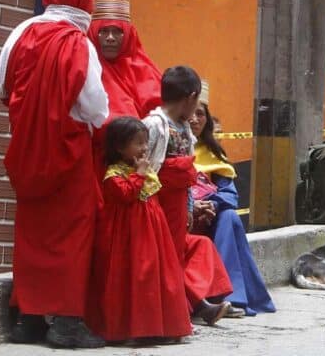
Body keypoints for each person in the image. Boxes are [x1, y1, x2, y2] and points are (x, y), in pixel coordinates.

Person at [0, 0, 108, 348]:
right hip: (69, 153)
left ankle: (28, 318)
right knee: (72, 236)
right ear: (85, 4)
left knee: (31, 234)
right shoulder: (79, 43)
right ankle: (67, 323)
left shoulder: (21, 31)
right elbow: (96, 107)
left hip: (25, 151)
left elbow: (1, 90)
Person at [86, 117, 191, 344]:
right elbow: (125, 194)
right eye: (138, 143)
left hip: (151, 231)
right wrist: (140, 174)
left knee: (155, 275)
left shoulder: (140, 167)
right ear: (119, 147)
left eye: (145, 142)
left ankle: (160, 327)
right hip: (129, 235)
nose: (144, 148)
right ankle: (133, 328)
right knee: (135, 276)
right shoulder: (113, 174)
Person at [144, 66, 234, 324]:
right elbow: (147, 168)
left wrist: (189, 206)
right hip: (158, 203)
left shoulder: (183, 128)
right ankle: (175, 314)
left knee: (174, 257)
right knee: (163, 259)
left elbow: (188, 170)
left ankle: (188, 308)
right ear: (190, 96)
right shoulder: (155, 125)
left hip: (178, 204)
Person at [190, 81, 276, 316]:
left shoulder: (213, 152)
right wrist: (191, 206)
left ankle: (231, 297)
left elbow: (229, 193)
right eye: (191, 113)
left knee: (229, 217)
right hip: (180, 214)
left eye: (201, 114)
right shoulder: (167, 144)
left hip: (211, 216)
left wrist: (212, 205)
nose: (195, 119)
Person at [88, 0, 162, 167]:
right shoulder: (86, 68)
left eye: (117, 32)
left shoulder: (144, 69)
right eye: (103, 31)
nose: (110, 38)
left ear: (128, 34)